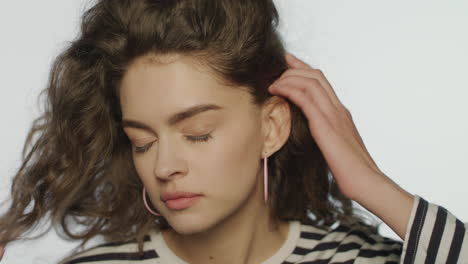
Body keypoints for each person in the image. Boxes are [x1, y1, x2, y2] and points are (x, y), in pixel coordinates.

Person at [0, 0, 466, 263]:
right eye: (142, 141)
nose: (164, 167)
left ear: (271, 127)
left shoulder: (356, 260)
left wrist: (372, 185)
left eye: (197, 132)